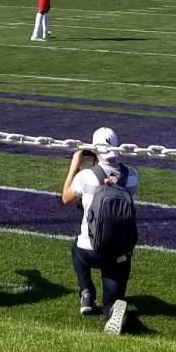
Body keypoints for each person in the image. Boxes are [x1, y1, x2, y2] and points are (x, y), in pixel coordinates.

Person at [60, 128, 139, 334]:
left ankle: (86, 291)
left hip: (90, 250)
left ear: (95, 151)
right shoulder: (132, 176)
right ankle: (113, 307)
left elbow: (66, 198)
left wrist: (75, 165)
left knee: (76, 248)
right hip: (119, 254)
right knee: (109, 305)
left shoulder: (86, 176)